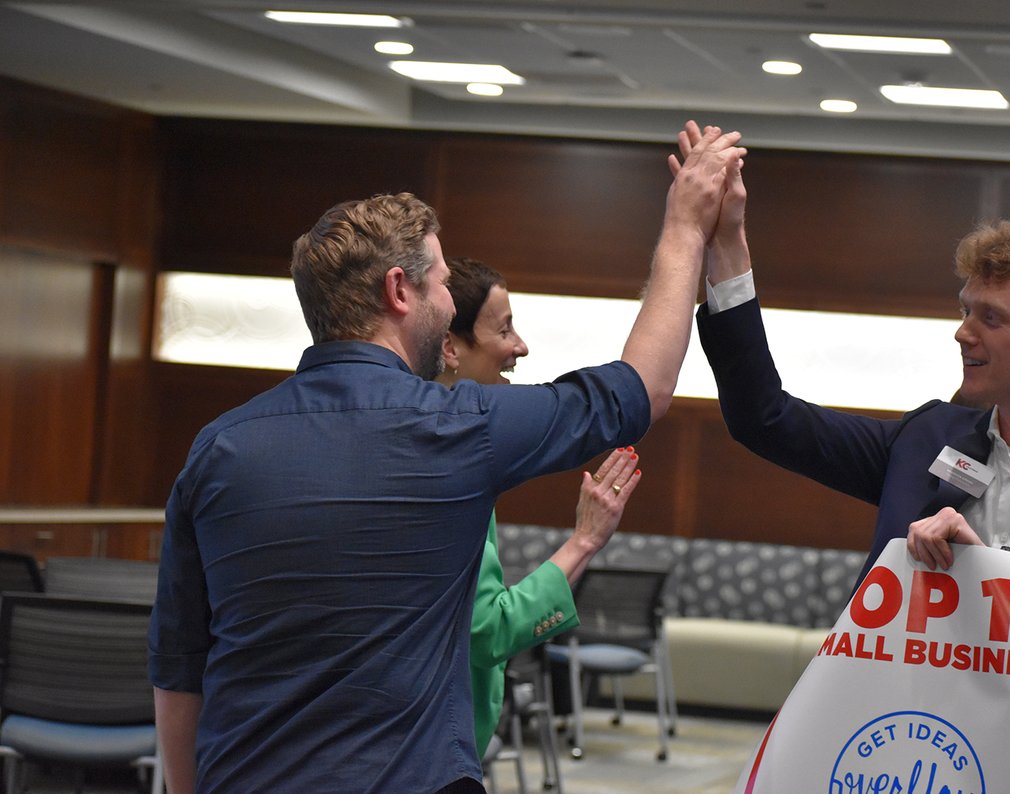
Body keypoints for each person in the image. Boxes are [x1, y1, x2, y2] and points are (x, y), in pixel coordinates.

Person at [148, 124, 747, 793]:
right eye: (440, 285)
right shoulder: (458, 428)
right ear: (400, 292)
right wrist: (685, 227)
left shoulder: (218, 448)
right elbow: (643, 388)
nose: (446, 301)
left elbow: (179, 666)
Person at [678, 119, 1010, 792]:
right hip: (919, 755)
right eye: (965, 308)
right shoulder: (929, 438)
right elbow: (764, 418)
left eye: (991, 318)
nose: (961, 332)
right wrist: (725, 246)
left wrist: (991, 570)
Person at [433, 255, 643, 757]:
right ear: (450, 347)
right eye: (504, 329)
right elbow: (490, 631)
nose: (520, 347)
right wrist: (585, 540)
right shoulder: (450, 467)